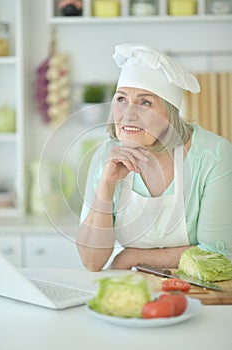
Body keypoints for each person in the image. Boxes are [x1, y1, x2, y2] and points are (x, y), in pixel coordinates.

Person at [76, 43, 232, 272]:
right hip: (129, 290)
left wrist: (130, 258)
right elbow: (91, 262)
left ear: (170, 114)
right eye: (121, 99)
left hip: (197, 290)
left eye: (145, 102)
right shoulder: (106, 156)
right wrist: (106, 186)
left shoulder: (213, 154)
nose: (128, 114)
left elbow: (217, 253)